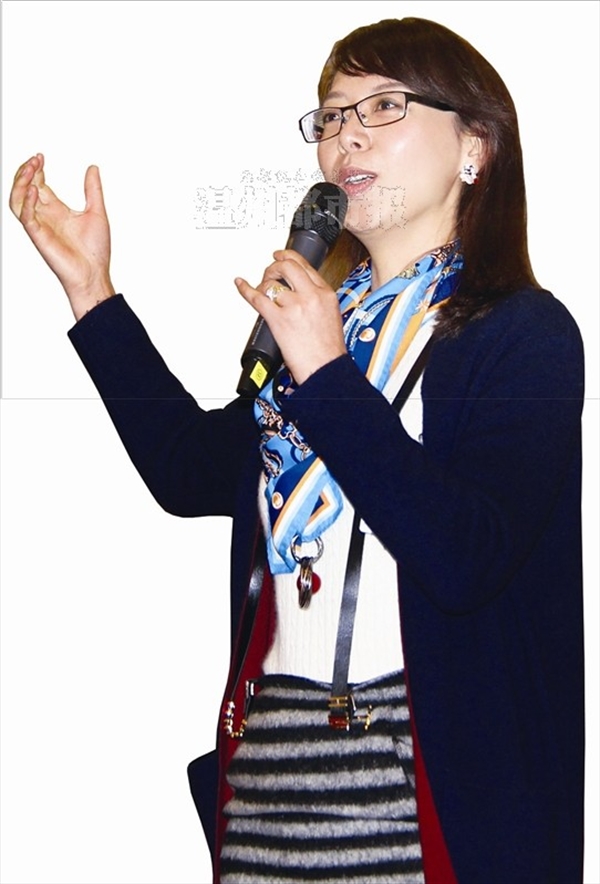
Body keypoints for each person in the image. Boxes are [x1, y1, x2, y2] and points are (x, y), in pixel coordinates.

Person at [9, 15, 584, 884]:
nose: (347, 134)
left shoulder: (523, 336)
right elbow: (188, 469)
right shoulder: (313, 337)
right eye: (333, 114)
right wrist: (93, 293)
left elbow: (468, 556)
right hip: (271, 774)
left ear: (476, 145)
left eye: (383, 106)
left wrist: (325, 372)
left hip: (431, 781)